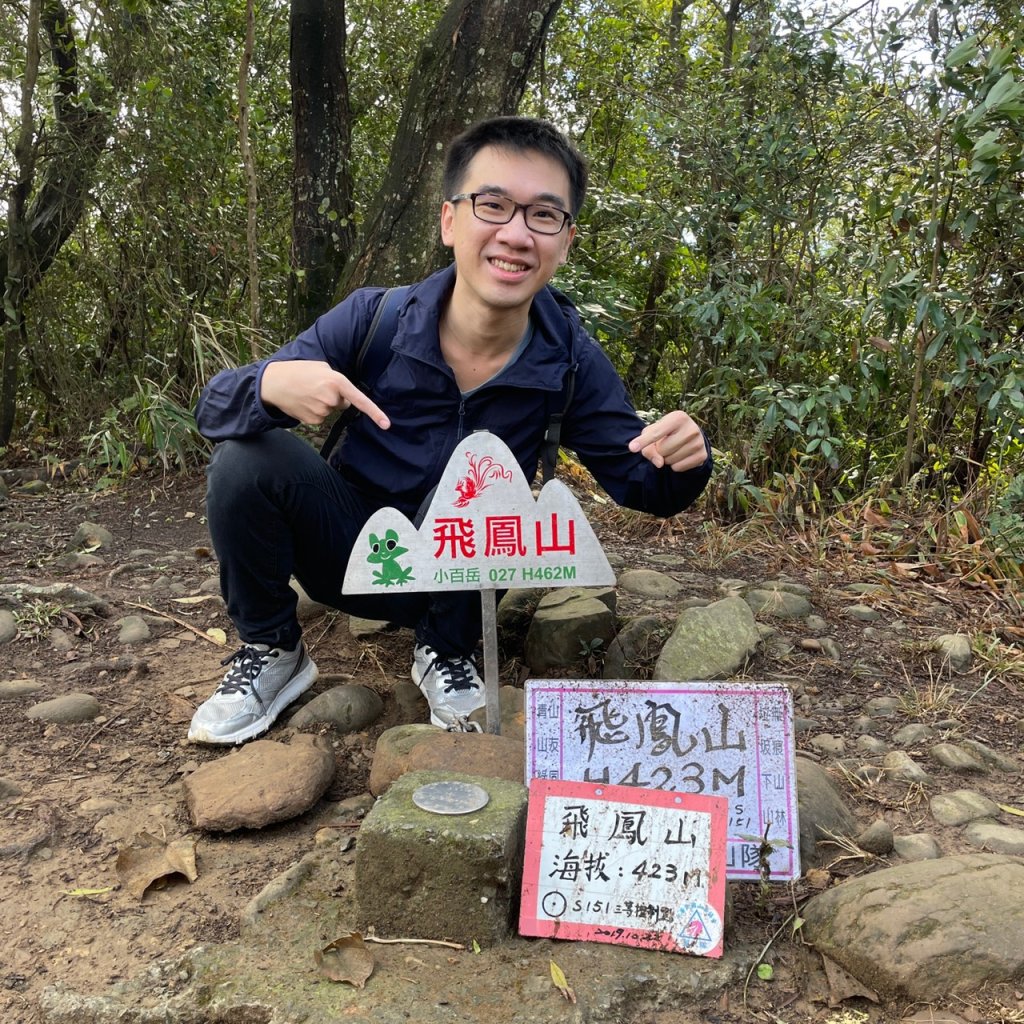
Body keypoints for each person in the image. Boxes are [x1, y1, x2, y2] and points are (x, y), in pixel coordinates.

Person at [189, 115, 712, 743]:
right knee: (247, 459)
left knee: (477, 477)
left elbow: (641, 485)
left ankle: (446, 651)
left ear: (565, 240)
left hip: (464, 586)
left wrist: (684, 460)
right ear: (449, 221)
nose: (516, 234)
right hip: (356, 559)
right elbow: (215, 409)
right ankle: (274, 651)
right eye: (492, 205)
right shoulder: (375, 317)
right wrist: (270, 388)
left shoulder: (568, 355)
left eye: (543, 216)